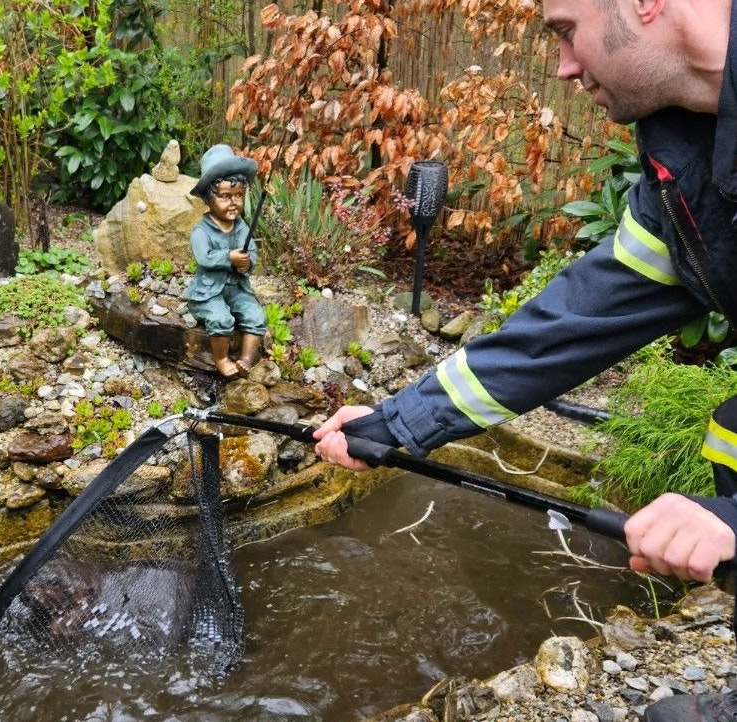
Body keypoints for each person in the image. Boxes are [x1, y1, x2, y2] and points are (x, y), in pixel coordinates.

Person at [313, 1, 737, 718]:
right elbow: (567, 327)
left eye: (566, 30)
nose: (564, 66)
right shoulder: (685, 159)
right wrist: (395, 425)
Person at [185, 144, 267, 379]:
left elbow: (252, 253)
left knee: (256, 315)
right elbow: (205, 257)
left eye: (238, 195)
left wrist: (246, 263)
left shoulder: (241, 228)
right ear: (208, 199)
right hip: (208, 292)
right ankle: (221, 359)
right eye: (225, 197)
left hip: (237, 289)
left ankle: (246, 358)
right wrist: (229, 257)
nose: (233, 202)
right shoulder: (201, 231)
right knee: (221, 318)